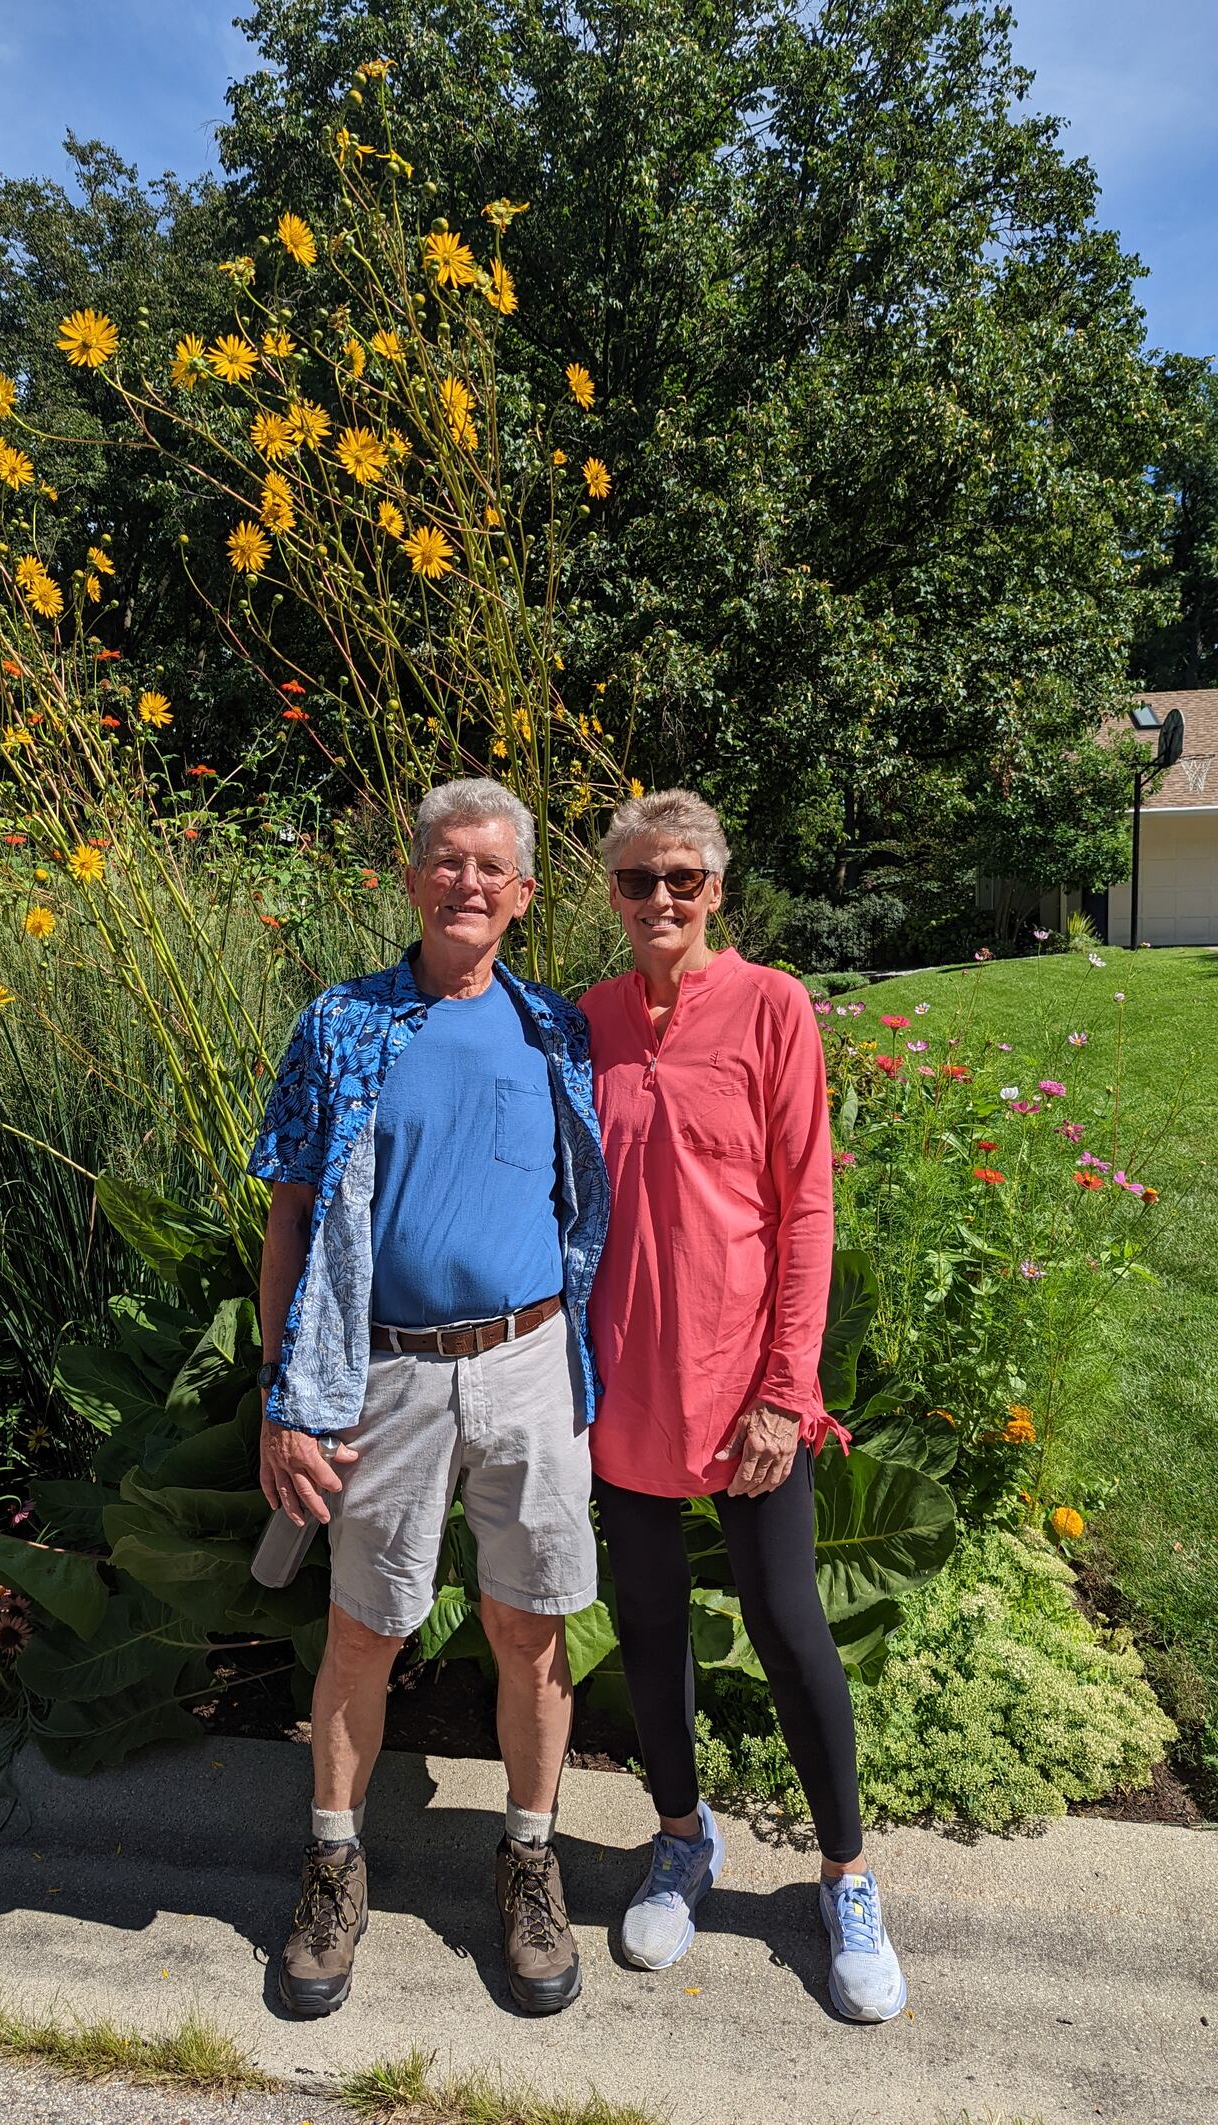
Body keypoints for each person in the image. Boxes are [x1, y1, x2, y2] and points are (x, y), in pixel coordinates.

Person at [249, 778, 608, 2019]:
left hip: (529, 1363)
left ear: (522, 894)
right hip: (384, 1372)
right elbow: (289, 1214)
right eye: (443, 862)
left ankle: (527, 1859)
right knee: (366, 1629)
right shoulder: (343, 1024)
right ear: (410, 880)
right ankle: (334, 1863)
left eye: (489, 867)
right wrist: (285, 1397)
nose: (465, 883)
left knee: (532, 1628)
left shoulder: (557, 1031)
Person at [580, 788, 907, 2024]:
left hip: (747, 1391)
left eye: (679, 877)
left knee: (786, 1626)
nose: (657, 898)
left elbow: (806, 1208)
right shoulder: (591, 1021)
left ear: (715, 887)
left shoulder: (772, 1009)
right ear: (609, 894)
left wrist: (788, 1387)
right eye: (634, 879)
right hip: (625, 1387)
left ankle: (845, 1876)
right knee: (650, 1630)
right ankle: (680, 1840)